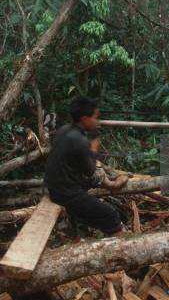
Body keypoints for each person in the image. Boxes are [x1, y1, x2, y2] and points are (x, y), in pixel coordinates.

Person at [44, 96, 128, 237]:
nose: (97, 121)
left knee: (94, 182)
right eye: (95, 117)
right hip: (65, 194)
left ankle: (111, 185)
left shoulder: (63, 130)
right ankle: (121, 249)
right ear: (84, 119)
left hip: (53, 187)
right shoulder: (80, 140)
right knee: (110, 214)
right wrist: (93, 152)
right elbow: (90, 172)